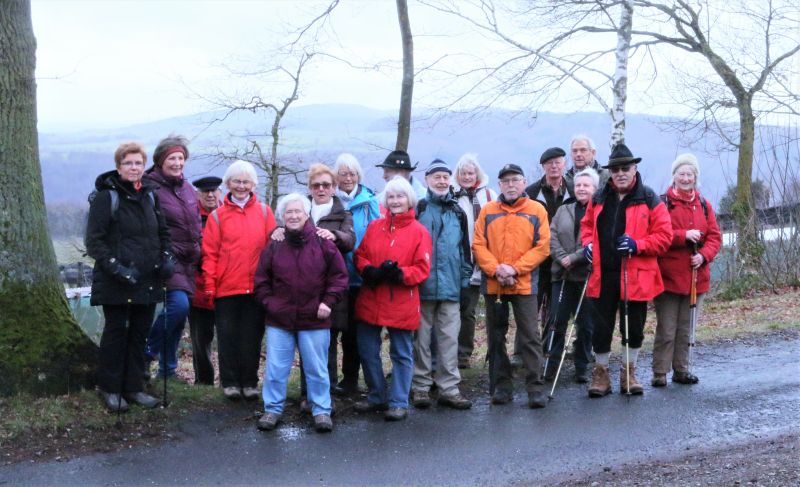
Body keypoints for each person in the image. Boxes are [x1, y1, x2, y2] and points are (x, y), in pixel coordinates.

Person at [581, 143, 672, 397]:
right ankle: (601, 374)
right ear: (610, 171)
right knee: (601, 328)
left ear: (635, 169)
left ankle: (628, 373)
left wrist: (638, 245)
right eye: (616, 169)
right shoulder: (599, 197)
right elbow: (587, 226)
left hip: (636, 274)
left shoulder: (649, 198)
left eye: (626, 168)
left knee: (633, 327)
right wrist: (587, 244)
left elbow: (664, 237)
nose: (621, 173)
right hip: (603, 274)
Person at [85, 142, 171, 411]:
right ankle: (110, 388)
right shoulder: (106, 197)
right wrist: (117, 268)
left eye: (138, 163)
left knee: (138, 335)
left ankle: (134, 387)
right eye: (128, 163)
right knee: (116, 335)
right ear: (119, 166)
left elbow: (163, 233)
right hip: (117, 281)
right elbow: (94, 242)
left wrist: (166, 259)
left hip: (147, 279)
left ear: (144, 167)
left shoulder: (151, 196)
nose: (134, 168)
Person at [254, 193, 349, 432]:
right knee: (276, 368)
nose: (294, 216)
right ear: (282, 217)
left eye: (298, 211)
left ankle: (321, 411)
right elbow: (261, 282)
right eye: (289, 212)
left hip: (314, 318)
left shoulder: (324, 243)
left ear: (307, 215)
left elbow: (339, 278)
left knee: (317, 368)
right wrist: (271, 305)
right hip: (279, 319)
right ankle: (273, 409)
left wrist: (328, 303)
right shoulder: (274, 245)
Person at [272, 164, 356, 410]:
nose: (321, 189)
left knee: (325, 344)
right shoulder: (298, 206)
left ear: (334, 188)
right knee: (306, 346)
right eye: (316, 185)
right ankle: (306, 396)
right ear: (310, 187)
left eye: (327, 185)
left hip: (331, 290)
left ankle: (325, 396)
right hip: (302, 291)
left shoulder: (343, 213)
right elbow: (286, 228)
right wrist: (277, 231)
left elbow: (350, 239)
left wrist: (335, 237)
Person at [353, 176, 432, 421]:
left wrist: (399, 274)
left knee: (401, 353)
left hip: (401, 300)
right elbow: (360, 255)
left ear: (409, 200)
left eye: (400, 196)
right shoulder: (375, 226)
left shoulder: (419, 232)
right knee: (367, 350)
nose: (395, 201)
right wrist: (370, 270)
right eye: (391, 196)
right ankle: (377, 394)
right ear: (385, 200)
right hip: (372, 297)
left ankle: (398, 401)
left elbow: (422, 268)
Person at [473, 163, 551, 408]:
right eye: (505, 181)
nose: (510, 185)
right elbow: (478, 245)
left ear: (523, 181)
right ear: (499, 185)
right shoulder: (487, 211)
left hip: (524, 283)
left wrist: (514, 269)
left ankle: (535, 388)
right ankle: (501, 386)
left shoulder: (537, 210)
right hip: (494, 284)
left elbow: (542, 247)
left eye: (515, 180)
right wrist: (497, 269)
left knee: (530, 336)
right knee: (496, 337)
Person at [202, 160, 277, 400]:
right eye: (237, 181)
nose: (241, 186)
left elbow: (273, 251)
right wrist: (210, 286)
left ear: (253, 184)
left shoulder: (265, 212)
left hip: (256, 288)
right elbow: (210, 254)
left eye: (246, 181)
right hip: (227, 288)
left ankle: (250, 382)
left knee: (252, 338)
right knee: (227, 337)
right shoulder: (217, 217)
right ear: (228, 184)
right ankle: (230, 383)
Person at [652, 154, 721, 387]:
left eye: (689, 174)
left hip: (696, 278)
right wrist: (683, 236)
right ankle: (660, 373)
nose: (685, 178)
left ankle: (681, 370)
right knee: (667, 329)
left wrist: (704, 256)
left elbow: (714, 237)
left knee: (687, 329)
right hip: (668, 278)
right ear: (674, 176)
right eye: (681, 174)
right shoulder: (662, 203)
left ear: (695, 177)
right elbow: (656, 235)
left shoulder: (704, 204)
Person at [411, 160, 473, 410]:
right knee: (421, 339)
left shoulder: (458, 211)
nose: (442, 181)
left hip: (451, 286)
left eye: (445, 177)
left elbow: (465, 251)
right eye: (436, 176)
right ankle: (421, 387)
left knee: (449, 340)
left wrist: (465, 281)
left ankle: (449, 388)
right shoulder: (420, 208)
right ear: (427, 180)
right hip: (423, 286)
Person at [143, 135, 202, 380]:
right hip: (167, 259)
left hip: (189, 262)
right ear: (160, 160)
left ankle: (168, 371)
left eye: (181, 158)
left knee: (178, 319)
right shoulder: (149, 187)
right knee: (178, 307)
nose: (177, 163)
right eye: (172, 158)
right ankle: (146, 354)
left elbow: (195, 220)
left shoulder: (187, 187)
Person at [546, 168, 600, 383]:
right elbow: (552, 237)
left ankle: (582, 367)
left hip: (587, 275)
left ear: (595, 189)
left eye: (586, 185)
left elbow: (598, 240)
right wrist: (562, 258)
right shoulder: (563, 210)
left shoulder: (600, 211)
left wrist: (576, 257)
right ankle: (551, 366)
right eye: (578, 185)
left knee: (586, 325)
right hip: (562, 275)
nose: (581, 188)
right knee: (557, 321)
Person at [334, 153, 381, 394]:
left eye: (352, 174)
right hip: (334, 277)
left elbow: (379, 233)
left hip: (362, 276)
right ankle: (332, 381)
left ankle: (351, 378)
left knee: (355, 333)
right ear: (336, 177)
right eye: (343, 174)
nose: (348, 178)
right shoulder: (331, 200)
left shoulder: (369, 200)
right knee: (334, 331)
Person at [523, 147, 574, 367]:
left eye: (558, 162)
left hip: (563, 258)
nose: (554, 166)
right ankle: (525, 353)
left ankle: (550, 352)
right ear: (543, 166)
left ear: (564, 164)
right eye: (550, 163)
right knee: (530, 308)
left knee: (556, 310)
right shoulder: (531, 191)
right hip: (537, 259)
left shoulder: (574, 189)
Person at [452, 154, 497, 369]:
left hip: (489, 260)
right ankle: (463, 354)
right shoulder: (452, 196)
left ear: (477, 174)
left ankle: (496, 352)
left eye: (471, 173)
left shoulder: (489, 195)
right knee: (467, 311)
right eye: (463, 173)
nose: (467, 177)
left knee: (494, 310)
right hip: (465, 262)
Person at [187, 176, 222, 385]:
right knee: (200, 340)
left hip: (226, 287)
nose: (210, 195)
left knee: (228, 338)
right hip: (198, 287)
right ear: (198, 194)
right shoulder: (190, 218)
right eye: (205, 192)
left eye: (214, 191)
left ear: (220, 192)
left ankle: (230, 381)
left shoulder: (227, 215)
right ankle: (204, 381)